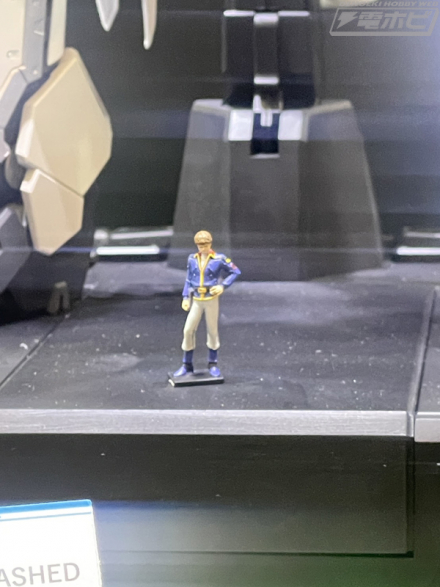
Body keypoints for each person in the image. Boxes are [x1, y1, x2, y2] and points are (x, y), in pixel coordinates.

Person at [173, 230, 241, 378]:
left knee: (212, 330)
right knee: (188, 330)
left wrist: (222, 286)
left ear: (210, 244)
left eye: (205, 244)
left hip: (211, 299)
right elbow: (188, 279)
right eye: (200, 245)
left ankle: (213, 364)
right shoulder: (192, 259)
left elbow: (236, 272)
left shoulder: (219, 258)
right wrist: (185, 297)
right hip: (197, 299)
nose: (202, 247)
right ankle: (187, 364)